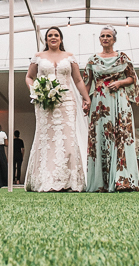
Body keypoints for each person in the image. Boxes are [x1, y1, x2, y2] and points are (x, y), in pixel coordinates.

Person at [25, 26, 91, 192]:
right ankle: (46, 180)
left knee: (67, 139)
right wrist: (35, 91)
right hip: (44, 102)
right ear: (46, 40)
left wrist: (86, 97)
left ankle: (69, 181)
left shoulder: (69, 57)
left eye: (56, 35)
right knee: (46, 139)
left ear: (61, 39)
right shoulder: (38, 57)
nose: (53, 37)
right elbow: (29, 77)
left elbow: (77, 80)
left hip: (67, 101)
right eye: (49, 35)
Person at [84, 26, 139, 192]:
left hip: (119, 100)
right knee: (100, 137)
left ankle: (122, 181)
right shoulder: (92, 60)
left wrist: (120, 82)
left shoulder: (123, 58)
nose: (105, 38)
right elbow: (87, 83)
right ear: (99, 39)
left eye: (108, 36)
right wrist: (86, 101)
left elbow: (133, 78)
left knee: (121, 136)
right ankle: (100, 183)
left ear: (114, 39)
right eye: (102, 36)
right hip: (100, 102)